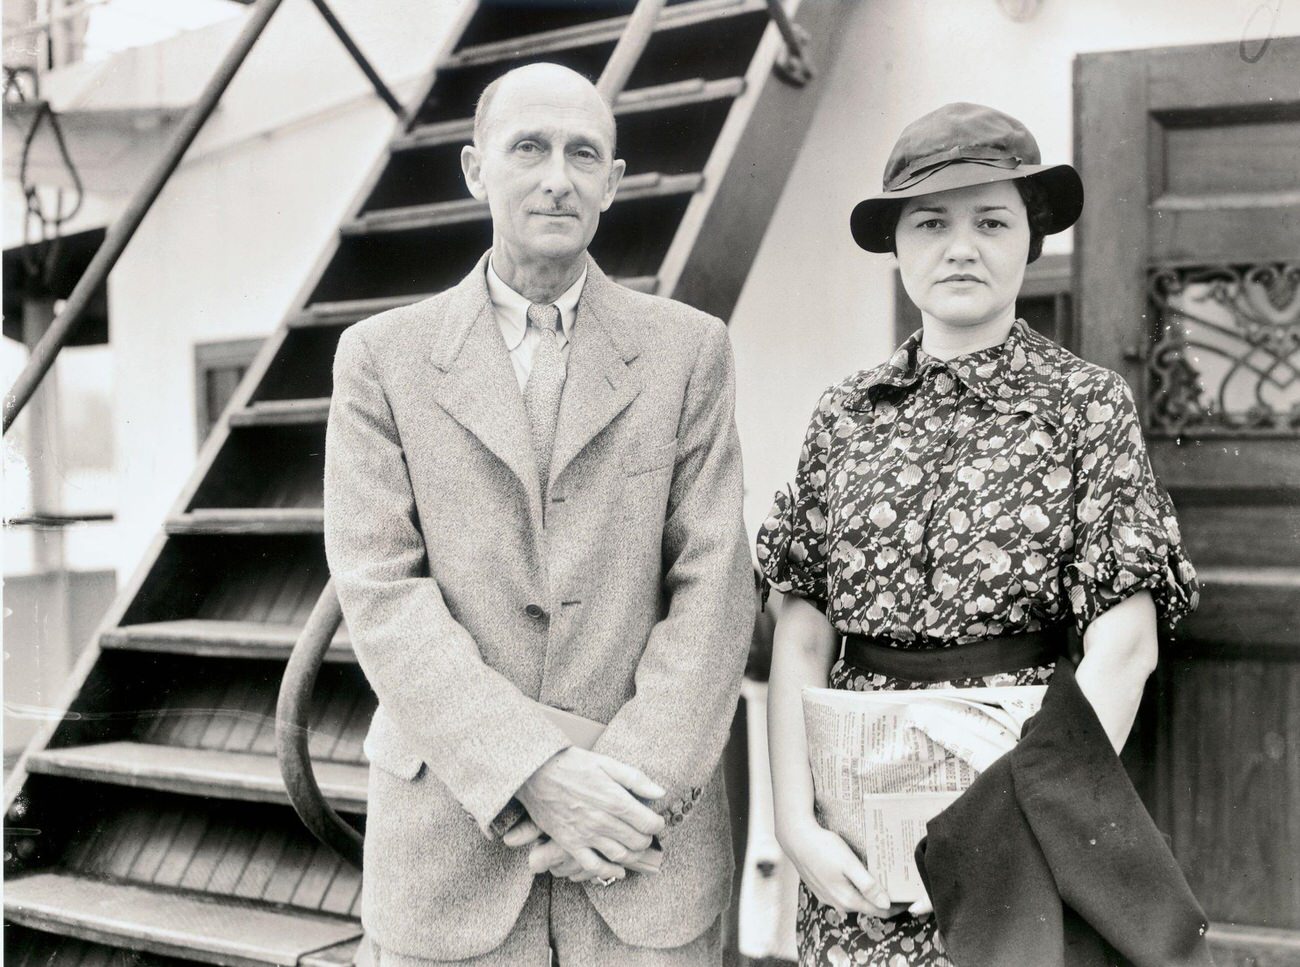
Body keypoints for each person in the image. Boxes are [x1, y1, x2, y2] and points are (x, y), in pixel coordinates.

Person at [324, 63, 754, 966]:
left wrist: (626, 796)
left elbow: (714, 580)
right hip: (450, 849)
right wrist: (536, 773)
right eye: (529, 148)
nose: (557, 175)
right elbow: (380, 592)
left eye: (582, 154)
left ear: (613, 181)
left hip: (645, 858)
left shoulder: (688, 352)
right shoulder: (380, 360)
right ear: (476, 170)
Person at [757, 103, 1200, 964]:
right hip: (859, 826)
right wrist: (797, 820)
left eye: (991, 221)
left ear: (1029, 240)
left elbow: (1126, 647)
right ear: (898, 246)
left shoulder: (1084, 404)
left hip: (1022, 805)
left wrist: (1002, 825)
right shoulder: (843, 415)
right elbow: (801, 632)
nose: (962, 246)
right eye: (932, 222)